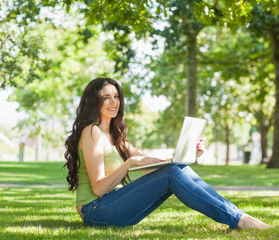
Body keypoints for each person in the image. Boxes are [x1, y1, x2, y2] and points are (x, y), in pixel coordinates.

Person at [64, 77, 272, 230]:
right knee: (172, 173)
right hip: (96, 211)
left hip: (114, 205)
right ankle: (241, 221)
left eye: (116, 96)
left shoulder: (115, 134)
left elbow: (150, 167)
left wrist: (188, 156)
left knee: (174, 169)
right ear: (95, 102)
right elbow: (99, 188)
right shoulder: (91, 131)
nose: (113, 102)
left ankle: (238, 218)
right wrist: (128, 164)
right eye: (106, 98)